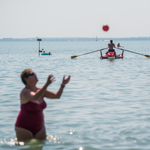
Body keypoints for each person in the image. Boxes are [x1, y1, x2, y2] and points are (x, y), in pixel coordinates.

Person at [15, 69, 71, 141]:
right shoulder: (24, 92)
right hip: (24, 128)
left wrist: (62, 85)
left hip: (40, 128)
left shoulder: (40, 90)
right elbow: (35, 97)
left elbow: (57, 96)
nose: (35, 74)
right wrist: (47, 84)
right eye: (32, 74)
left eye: (34, 73)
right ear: (26, 79)